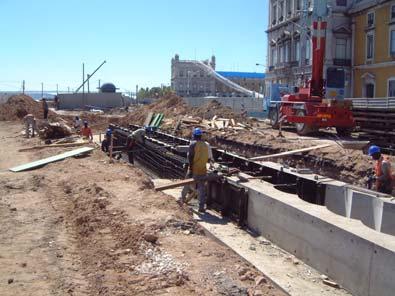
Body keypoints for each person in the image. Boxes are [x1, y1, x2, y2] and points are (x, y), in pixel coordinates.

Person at [180, 128, 213, 213]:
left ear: (194, 135)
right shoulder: (206, 145)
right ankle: (201, 207)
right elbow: (209, 159)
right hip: (202, 169)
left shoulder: (193, 144)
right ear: (201, 135)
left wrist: (190, 169)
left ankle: (182, 199)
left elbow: (190, 157)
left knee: (186, 184)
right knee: (202, 189)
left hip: (194, 169)